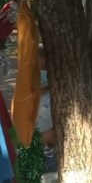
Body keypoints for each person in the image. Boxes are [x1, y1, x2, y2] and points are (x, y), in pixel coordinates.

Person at [35, 46, 57, 174]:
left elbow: (52, 133)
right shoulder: (31, 96)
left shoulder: (55, 98)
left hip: (49, 151)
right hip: (36, 148)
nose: (40, 73)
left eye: (44, 68)